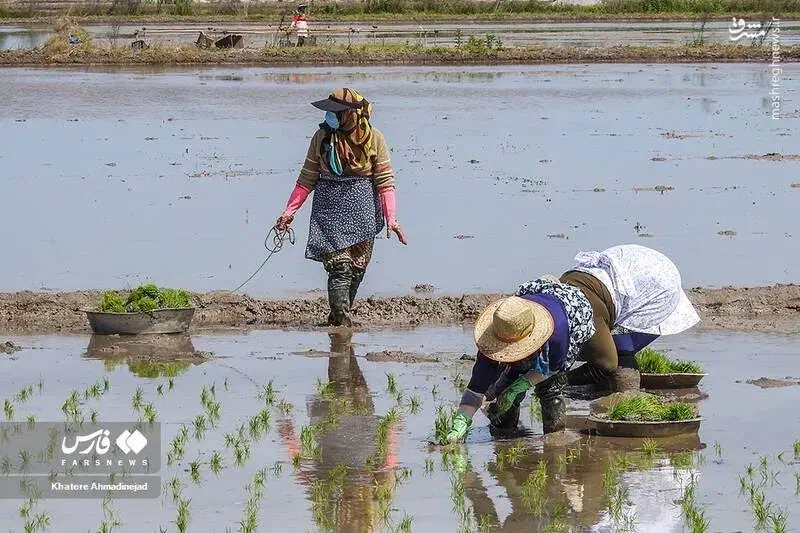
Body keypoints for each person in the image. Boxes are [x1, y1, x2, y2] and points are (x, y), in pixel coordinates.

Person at [442, 244, 699, 444]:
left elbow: (550, 368)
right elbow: (476, 387)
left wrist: (521, 386)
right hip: (572, 281)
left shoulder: (558, 332)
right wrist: (460, 422)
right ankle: (503, 428)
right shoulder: (499, 330)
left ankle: (555, 435)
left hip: (580, 305)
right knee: (513, 373)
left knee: (559, 384)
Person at [276, 88, 407, 326]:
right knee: (339, 268)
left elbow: (385, 182)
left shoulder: (374, 138)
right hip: (329, 212)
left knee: (356, 269)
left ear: (353, 114)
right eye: (330, 112)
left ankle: (338, 318)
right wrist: (289, 212)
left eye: (337, 112)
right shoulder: (322, 138)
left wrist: (392, 219)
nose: (331, 116)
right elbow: (306, 179)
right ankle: (342, 324)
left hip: (363, 213)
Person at [561, 244, 700, 388]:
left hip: (578, 277)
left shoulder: (591, 300)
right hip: (591, 291)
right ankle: (561, 382)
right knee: (609, 357)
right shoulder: (589, 307)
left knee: (611, 350)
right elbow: (606, 363)